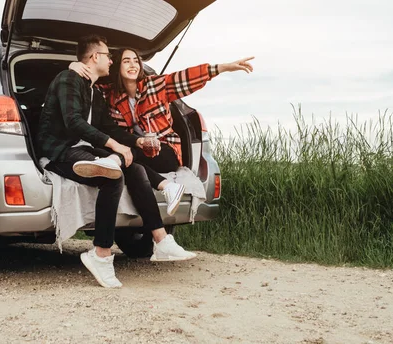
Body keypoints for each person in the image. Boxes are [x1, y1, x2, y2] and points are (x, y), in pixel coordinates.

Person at [37, 35, 195, 289]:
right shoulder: (69, 79)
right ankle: (100, 254)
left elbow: (109, 127)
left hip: (86, 150)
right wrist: (114, 146)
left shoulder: (95, 92)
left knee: (132, 165)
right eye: (108, 56)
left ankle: (161, 240)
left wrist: (135, 142)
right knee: (114, 175)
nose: (111, 60)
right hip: (60, 152)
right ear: (94, 57)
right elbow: (73, 122)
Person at [70, 49, 254, 173]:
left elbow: (187, 77)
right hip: (137, 148)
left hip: (166, 151)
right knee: (133, 162)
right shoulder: (111, 95)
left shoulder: (156, 85)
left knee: (132, 156)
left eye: (136, 61)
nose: (133, 65)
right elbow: (88, 83)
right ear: (117, 66)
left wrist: (223, 68)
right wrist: (73, 67)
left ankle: (114, 161)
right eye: (126, 61)